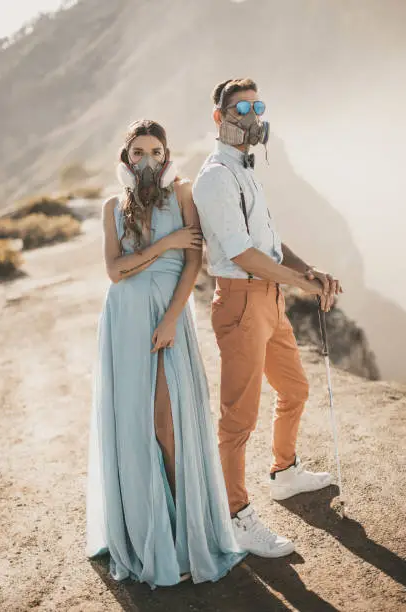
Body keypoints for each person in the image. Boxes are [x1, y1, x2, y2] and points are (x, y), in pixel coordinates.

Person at [86, 119, 246, 588]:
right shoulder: (112, 206)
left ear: (166, 155)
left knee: (169, 424)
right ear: (126, 159)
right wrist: (166, 244)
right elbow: (115, 272)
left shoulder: (182, 194)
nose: (148, 161)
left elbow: (193, 259)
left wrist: (173, 318)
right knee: (137, 425)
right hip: (124, 318)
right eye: (139, 153)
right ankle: (145, 533)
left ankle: (185, 535)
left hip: (168, 314)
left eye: (156, 152)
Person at [192, 79, 343, 558]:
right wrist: (302, 285)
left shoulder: (246, 169)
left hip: (270, 298)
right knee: (238, 418)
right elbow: (241, 253)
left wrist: (306, 270)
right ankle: (235, 516)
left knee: (294, 388)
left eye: (258, 106)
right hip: (240, 301)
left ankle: (284, 473)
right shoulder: (215, 175)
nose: (253, 116)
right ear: (219, 118)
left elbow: (269, 242)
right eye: (242, 108)